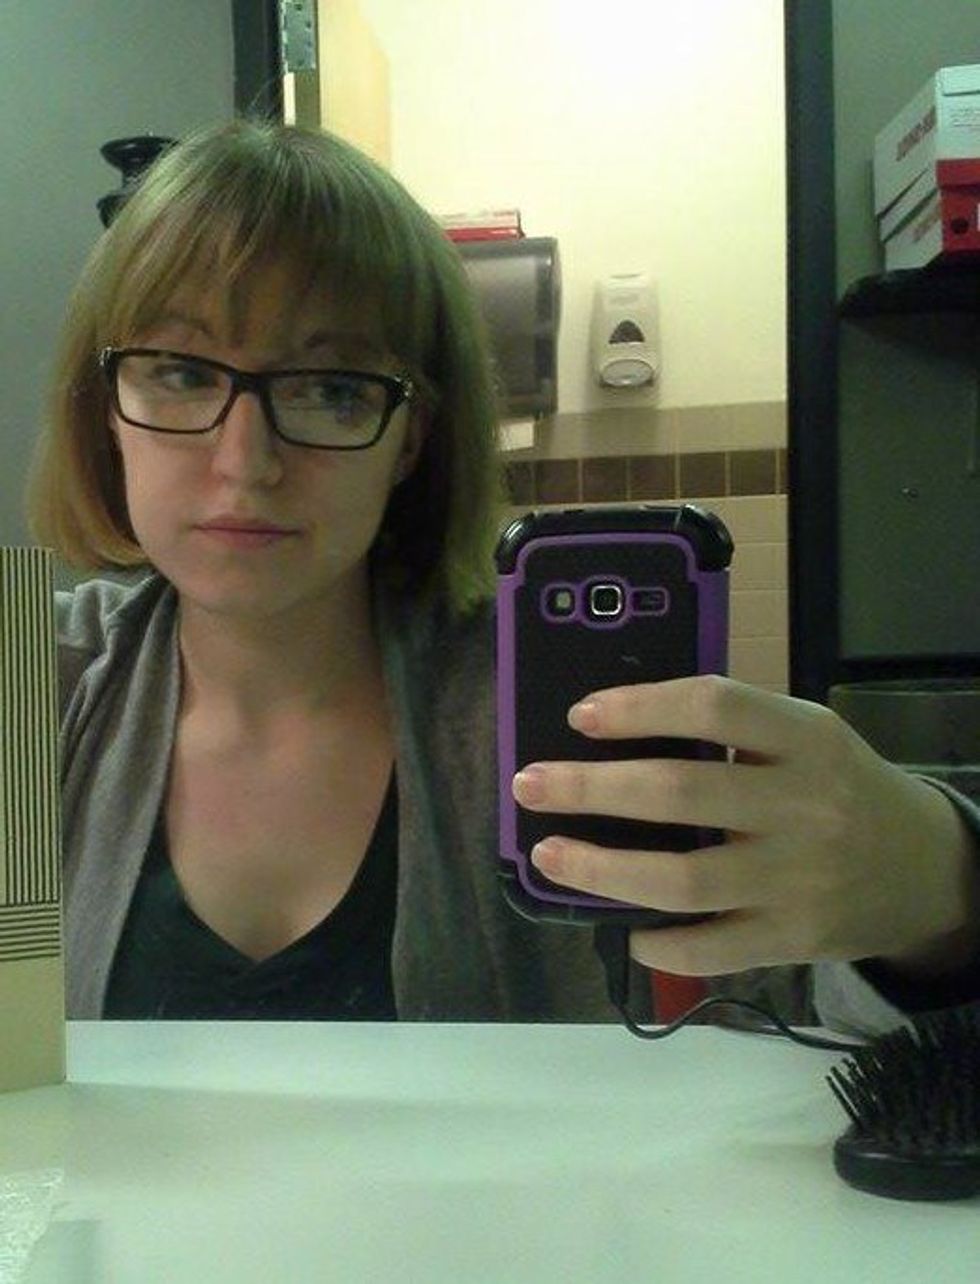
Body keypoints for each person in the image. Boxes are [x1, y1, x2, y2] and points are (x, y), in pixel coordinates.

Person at [28, 118, 980, 1030]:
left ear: (409, 439)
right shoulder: (35, 683)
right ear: (105, 408)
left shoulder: (562, 701)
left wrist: (945, 893)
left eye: (330, 389)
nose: (246, 463)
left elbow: (798, 1013)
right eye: (182, 374)